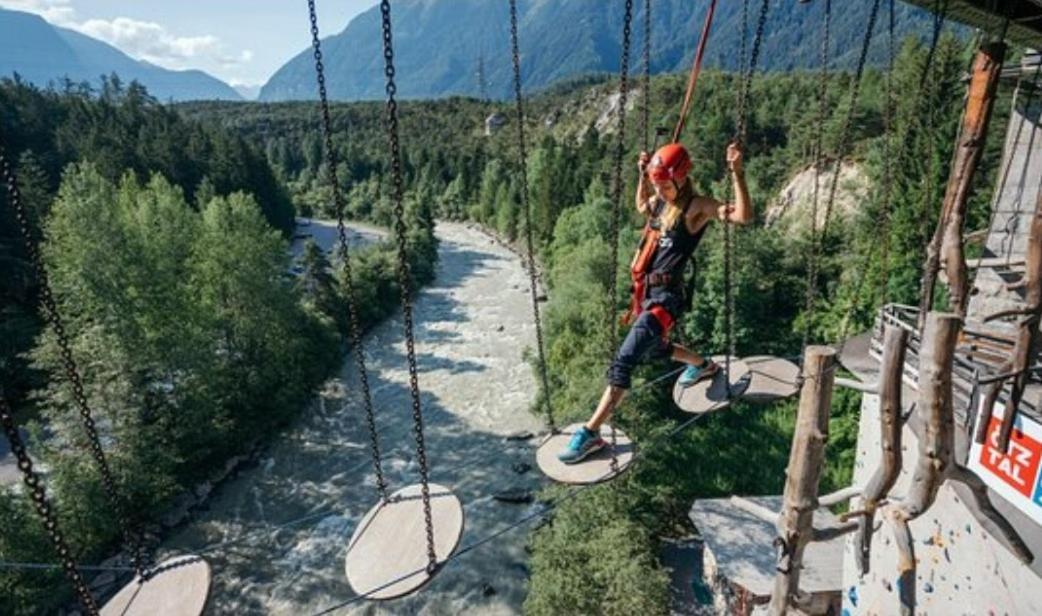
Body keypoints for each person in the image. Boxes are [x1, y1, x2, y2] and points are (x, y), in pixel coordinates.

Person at [558, 141, 753, 464]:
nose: (658, 192)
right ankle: (705, 366)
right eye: (655, 185)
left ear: (681, 178)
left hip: (666, 299)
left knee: (624, 360)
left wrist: (737, 174)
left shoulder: (696, 208)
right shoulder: (661, 202)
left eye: (663, 185)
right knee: (654, 349)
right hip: (646, 294)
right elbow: (640, 206)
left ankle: (590, 434)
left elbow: (743, 216)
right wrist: (641, 176)